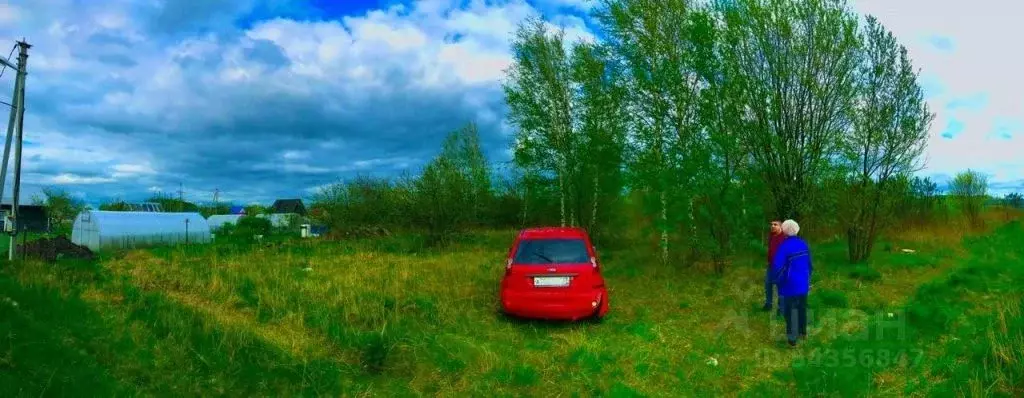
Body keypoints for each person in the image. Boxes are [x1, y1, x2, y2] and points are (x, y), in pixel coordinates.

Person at [770, 219, 813, 347]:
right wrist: (807, 278)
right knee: (802, 308)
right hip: (803, 283)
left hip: (790, 285)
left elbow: (778, 267)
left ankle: (792, 340)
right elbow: (809, 264)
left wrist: (778, 281)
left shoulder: (784, 246)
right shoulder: (803, 244)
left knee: (791, 311)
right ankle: (802, 332)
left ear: (784, 231)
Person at [763, 220, 786, 316]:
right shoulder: (772, 236)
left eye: (775, 224)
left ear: (780, 226)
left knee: (781, 287)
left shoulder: (784, 238)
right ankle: (769, 304)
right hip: (771, 265)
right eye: (771, 224)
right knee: (768, 284)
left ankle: (782, 309)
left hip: (780, 266)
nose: (772, 226)